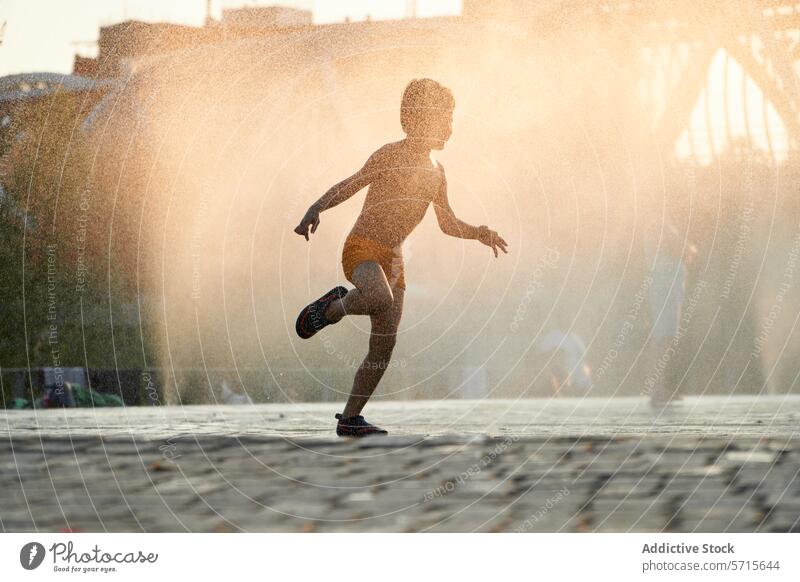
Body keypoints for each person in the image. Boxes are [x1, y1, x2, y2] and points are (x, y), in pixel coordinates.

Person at [293, 78, 508, 437]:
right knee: (378, 297)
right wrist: (316, 208)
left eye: (452, 119)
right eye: (444, 119)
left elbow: (448, 223)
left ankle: (350, 418)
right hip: (362, 247)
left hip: (393, 261)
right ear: (417, 119)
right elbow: (351, 184)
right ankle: (330, 309)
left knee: (384, 346)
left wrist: (479, 232)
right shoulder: (390, 155)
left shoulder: (437, 173)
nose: (451, 128)